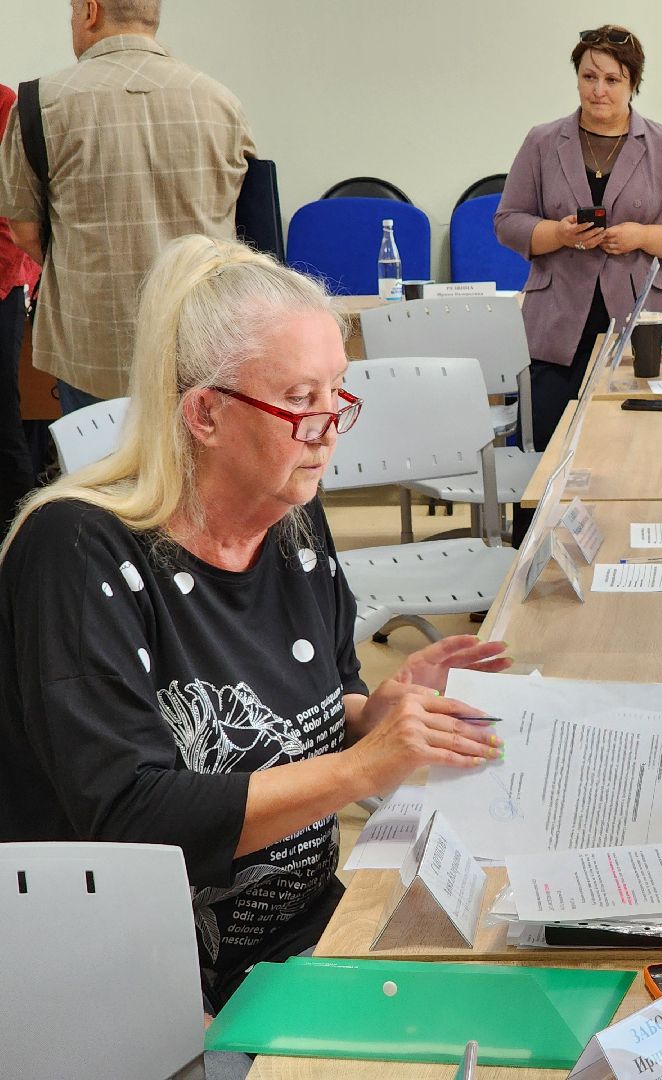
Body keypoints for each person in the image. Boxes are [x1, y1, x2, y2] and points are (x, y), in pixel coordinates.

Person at [0, 236, 508, 1014]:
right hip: (146, 989)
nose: (332, 426)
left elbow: (303, 711)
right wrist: (365, 767)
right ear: (205, 413)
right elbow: (133, 819)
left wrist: (376, 713)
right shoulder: (75, 551)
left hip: (299, 945)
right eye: (301, 401)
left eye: (339, 392)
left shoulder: (291, 521)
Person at [0, 0, 254, 412]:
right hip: (198, 340)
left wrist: (84, 265)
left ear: (91, 11)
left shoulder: (40, 103)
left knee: (99, 473)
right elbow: (240, 224)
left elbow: (25, 232)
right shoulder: (221, 101)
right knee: (191, 472)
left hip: (91, 348)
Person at [495, 24, 662, 450]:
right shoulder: (542, 141)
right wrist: (558, 233)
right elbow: (507, 221)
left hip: (643, 324)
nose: (599, 90)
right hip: (557, 328)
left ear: (633, 84)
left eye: (613, 80)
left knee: (643, 453)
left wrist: (642, 235)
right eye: (589, 77)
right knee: (545, 455)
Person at [0, 84, 41, 528]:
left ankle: (20, 536)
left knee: (3, 421)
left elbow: (16, 212)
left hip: (3, 280)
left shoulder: (6, 105)